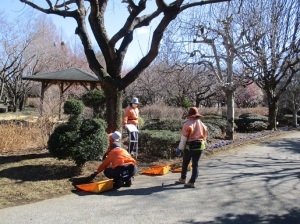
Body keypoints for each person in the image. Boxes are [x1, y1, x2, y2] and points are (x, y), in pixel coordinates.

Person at [175, 107, 208, 188]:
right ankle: (192, 182)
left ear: (190, 115)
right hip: (200, 146)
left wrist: (180, 148)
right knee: (195, 164)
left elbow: (184, 138)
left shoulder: (187, 124)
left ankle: (183, 178)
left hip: (190, 147)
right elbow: (205, 135)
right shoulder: (202, 124)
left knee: (185, 162)